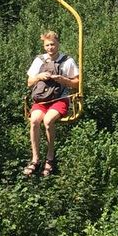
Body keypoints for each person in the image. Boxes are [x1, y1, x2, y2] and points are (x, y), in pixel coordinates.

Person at [23, 29, 80, 177]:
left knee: (48, 121)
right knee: (34, 120)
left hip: (59, 99)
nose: (50, 48)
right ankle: (35, 159)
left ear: (58, 44)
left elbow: (77, 84)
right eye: (47, 45)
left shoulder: (67, 61)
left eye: (53, 45)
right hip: (41, 100)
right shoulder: (39, 60)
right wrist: (39, 77)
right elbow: (29, 82)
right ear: (44, 46)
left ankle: (50, 158)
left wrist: (63, 80)